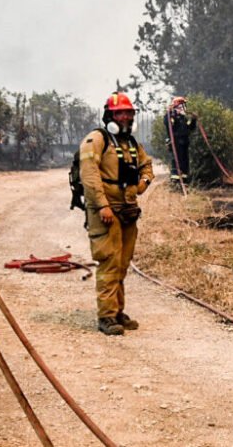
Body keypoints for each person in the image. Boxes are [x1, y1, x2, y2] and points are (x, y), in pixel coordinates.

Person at [80, 91, 154, 336]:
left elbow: (147, 165)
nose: (125, 117)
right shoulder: (97, 139)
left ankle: (117, 312)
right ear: (109, 116)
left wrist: (143, 183)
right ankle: (106, 316)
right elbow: (89, 176)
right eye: (120, 113)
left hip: (127, 210)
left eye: (128, 113)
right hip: (106, 212)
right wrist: (102, 205)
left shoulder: (130, 143)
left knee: (122, 263)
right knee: (109, 262)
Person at [163, 96, 196, 185]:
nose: (184, 108)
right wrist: (169, 113)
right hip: (175, 142)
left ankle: (184, 179)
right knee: (176, 160)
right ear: (178, 106)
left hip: (184, 142)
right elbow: (167, 123)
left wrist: (193, 120)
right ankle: (175, 180)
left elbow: (190, 128)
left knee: (184, 161)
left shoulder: (183, 118)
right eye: (182, 105)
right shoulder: (172, 116)